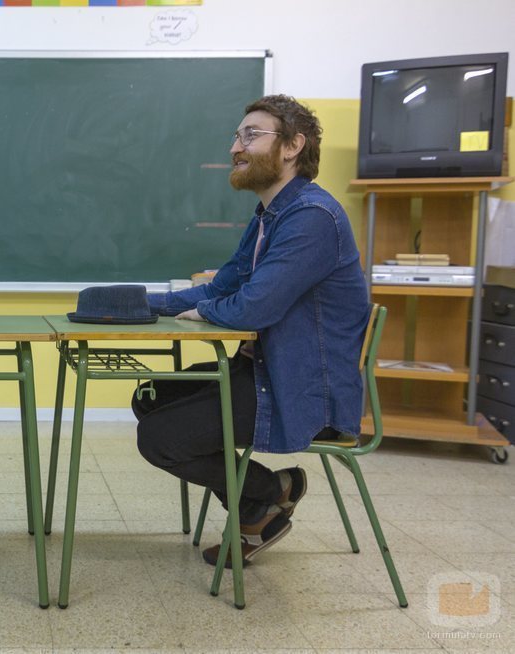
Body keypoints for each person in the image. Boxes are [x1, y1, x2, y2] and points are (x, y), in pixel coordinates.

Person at [133, 95, 370, 568]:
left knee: (158, 438)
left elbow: (251, 306)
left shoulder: (311, 218)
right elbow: (221, 289)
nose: (236, 147)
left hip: (303, 391)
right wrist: (135, 305)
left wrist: (210, 312)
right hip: (267, 371)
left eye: (250, 135)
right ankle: (260, 504)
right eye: (236, 136)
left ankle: (265, 493)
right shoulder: (270, 216)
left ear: (292, 146)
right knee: (151, 396)